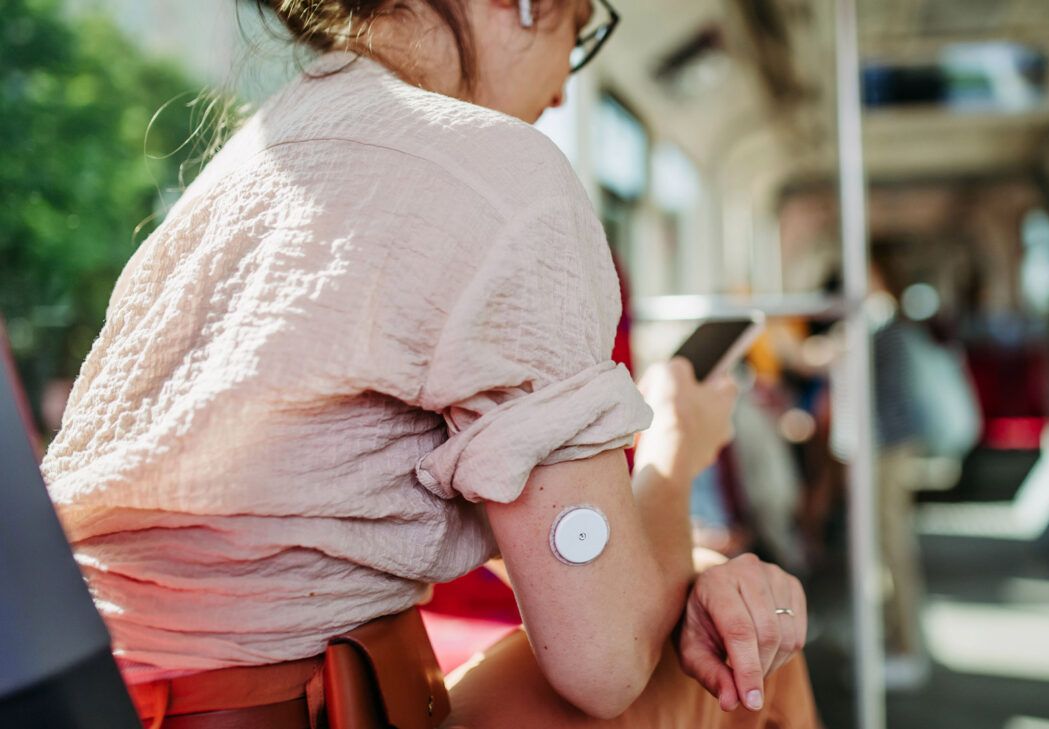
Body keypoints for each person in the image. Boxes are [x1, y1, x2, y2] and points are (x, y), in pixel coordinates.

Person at [40, 1, 816, 726]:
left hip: (104, 696)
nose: (559, 94)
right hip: (302, 707)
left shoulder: (241, 170)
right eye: (579, 30)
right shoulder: (501, 171)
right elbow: (606, 664)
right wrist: (677, 454)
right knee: (756, 662)